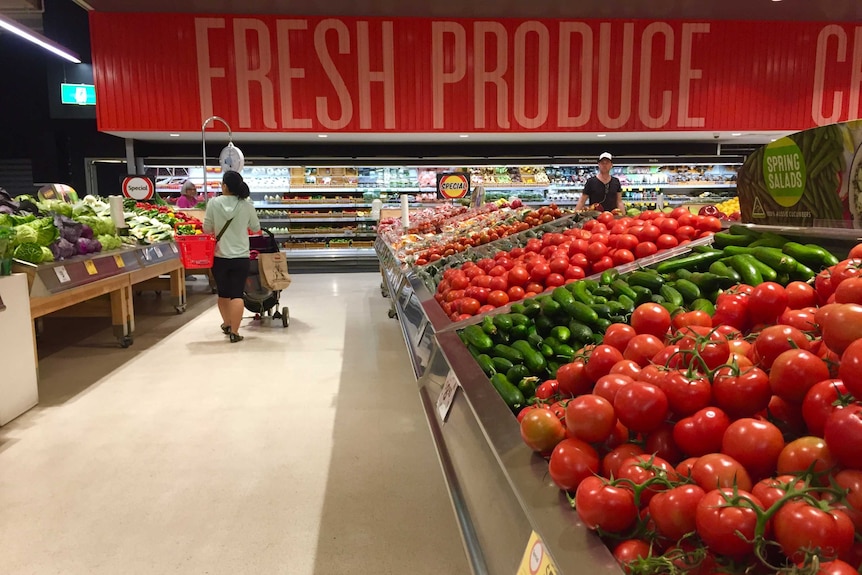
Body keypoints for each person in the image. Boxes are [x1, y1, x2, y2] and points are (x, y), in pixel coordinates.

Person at [203, 170, 260, 343]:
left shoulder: (213, 203)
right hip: (241, 256)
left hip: (219, 256)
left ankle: (227, 323)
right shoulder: (247, 204)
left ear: (225, 186)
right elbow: (256, 227)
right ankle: (235, 332)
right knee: (237, 294)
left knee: (223, 293)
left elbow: (207, 229)